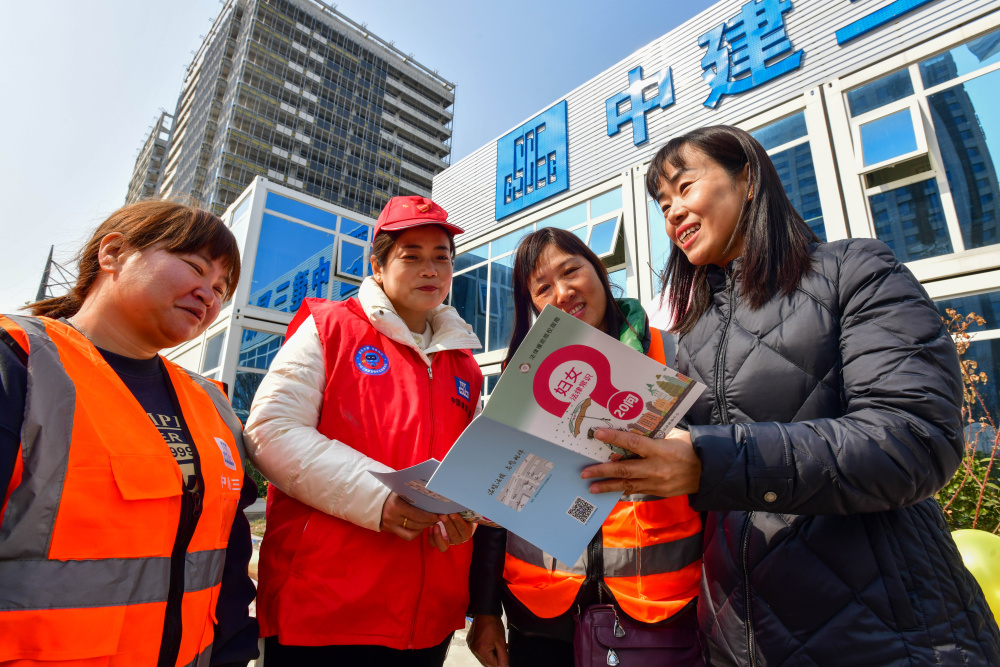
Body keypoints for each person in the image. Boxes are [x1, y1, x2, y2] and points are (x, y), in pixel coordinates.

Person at [581, 125, 1000, 665]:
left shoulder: (856, 271)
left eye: (684, 188)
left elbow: (914, 439)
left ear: (749, 179)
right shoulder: (693, 334)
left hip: (884, 632)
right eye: (663, 205)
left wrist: (710, 462)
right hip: (740, 639)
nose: (673, 213)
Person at [0, 200, 259, 666]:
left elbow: (230, 561)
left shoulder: (212, 404)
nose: (209, 295)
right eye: (195, 267)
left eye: (221, 288)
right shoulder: (19, 362)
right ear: (114, 252)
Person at [245, 195, 484, 666]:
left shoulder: (466, 366)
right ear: (377, 266)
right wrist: (379, 500)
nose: (430, 270)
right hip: (325, 608)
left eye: (442, 258)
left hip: (429, 616)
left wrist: (467, 519)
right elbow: (270, 431)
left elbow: (473, 468)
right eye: (411, 256)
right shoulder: (329, 327)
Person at [466, 227, 704, 667]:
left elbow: (715, 476)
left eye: (571, 271)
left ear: (599, 270)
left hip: (659, 610)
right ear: (532, 305)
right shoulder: (524, 384)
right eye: (542, 288)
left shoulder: (675, 355)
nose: (562, 293)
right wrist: (484, 611)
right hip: (540, 614)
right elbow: (498, 507)